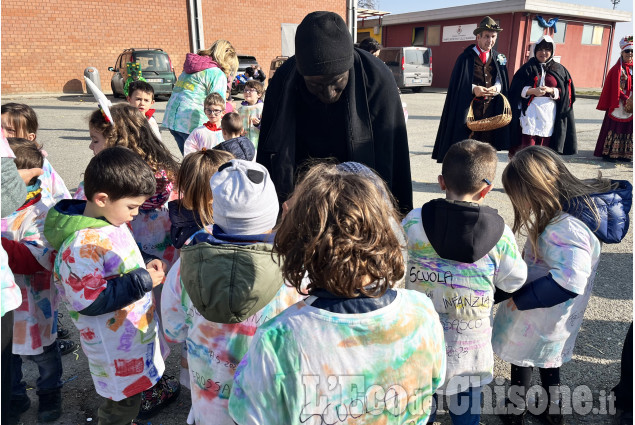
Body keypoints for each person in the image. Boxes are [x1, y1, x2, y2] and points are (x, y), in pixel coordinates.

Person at [227, 162, 446, 424]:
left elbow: (250, 416)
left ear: (300, 242)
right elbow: (434, 380)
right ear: (384, 231)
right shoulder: (421, 312)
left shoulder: (277, 339)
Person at [491, 146, 632, 425]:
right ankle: (552, 409)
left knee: (523, 359)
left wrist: (522, 299)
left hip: (539, 312)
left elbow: (568, 281)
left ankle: (516, 409)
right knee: (547, 359)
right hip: (554, 315)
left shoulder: (566, 226)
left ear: (534, 190)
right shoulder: (576, 212)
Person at [163, 159, 303, 425]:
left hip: (208, 407)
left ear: (217, 212)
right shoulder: (294, 272)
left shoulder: (187, 264)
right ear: (272, 211)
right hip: (265, 410)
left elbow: (173, 330)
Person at [402, 140, 527, 424]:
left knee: (422, 400)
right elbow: (516, 278)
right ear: (487, 189)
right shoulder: (501, 234)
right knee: (467, 402)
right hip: (471, 342)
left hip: (423, 336)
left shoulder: (414, 220)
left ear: (441, 182)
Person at [44, 147, 167, 425]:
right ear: (102, 198)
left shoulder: (109, 220)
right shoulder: (81, 245)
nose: (135, 214)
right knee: (120, 404)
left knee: (129, 397)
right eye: (132, 207)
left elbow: (122, 258)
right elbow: (89, 301)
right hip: (113, 348)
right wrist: (144, 280)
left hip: (127, 337)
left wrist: (146, 261)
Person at [256, 11, 413, 213]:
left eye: (337, 81)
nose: (329, 93)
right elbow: (272, 153)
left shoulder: (376, 79)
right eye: (315, 84)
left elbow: (393, 155)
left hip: (362, 199)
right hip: (302, 194)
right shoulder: (284, 81)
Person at [1, 139, 77, 423]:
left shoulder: (40, 212)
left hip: (34, 304)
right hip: (6, 308)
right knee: (8, 360)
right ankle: (15, 396)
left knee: (44, 355)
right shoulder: (3, 207)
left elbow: (37, 258)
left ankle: (49, 394)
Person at [82, 103, 180, 270]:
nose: (91, 146)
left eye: (95, 140)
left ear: (117, 140)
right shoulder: (159, 168)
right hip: (164, 236)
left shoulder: (114, 179)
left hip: (130, 238)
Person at [432, 16, 510, 163]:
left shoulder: (498, 57)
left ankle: (482, 176)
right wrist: (474, 89)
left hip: (490, 112)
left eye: (493, 37)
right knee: (467, 147)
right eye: (486, 36)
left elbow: (501, 79)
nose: (490, 40)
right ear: (478, 37)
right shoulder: (465, 58)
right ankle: (463, 178)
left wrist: (497, 88)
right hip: (468, 111)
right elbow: (458, 84)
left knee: (486, 148)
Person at [163, 40, 239, 155]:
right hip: (191, 123)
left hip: (173, 120)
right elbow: (217, 103)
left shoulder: (192, 68)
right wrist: (230, 106)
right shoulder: (216, 73)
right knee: (201, 163)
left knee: (189, 159)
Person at [508, 35, 576, 157]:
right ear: (535, 50)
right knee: (528, 145)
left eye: (547, 49)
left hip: (549, 113)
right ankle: (525, 170)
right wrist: (531, 91)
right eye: (540, 49)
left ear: (552, 51)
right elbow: (514, 89)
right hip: (530, 111)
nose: (543, 53)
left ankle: (540, 171)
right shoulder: (526, 68)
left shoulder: (560, 69)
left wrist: (551, 90)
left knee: (544, 146)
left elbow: (567, 93)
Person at [1, 103, 71, 204]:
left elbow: (61, 195)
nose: (2, 134)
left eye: (10, 130)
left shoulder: (41, 164)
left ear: (30, 138)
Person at [594, 35, 633, 161]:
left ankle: (625, 154)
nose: (630, 53)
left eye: (632, 51)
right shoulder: (616, 69)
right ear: (622, 52)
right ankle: (610, 152)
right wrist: (625, 97)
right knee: (614, 127)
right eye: (627, 51)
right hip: (618, 102)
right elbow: (614, 87)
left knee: (629, 128)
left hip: (631, 102)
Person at [237, 80, 264, 149]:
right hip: (243, 142)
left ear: (259, 94)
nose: (247, 92)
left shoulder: (262, 109)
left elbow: (268, 128)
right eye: (245, 90)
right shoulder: (241, 110)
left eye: (251, 90)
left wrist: (258, 124)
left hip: (257, 142)